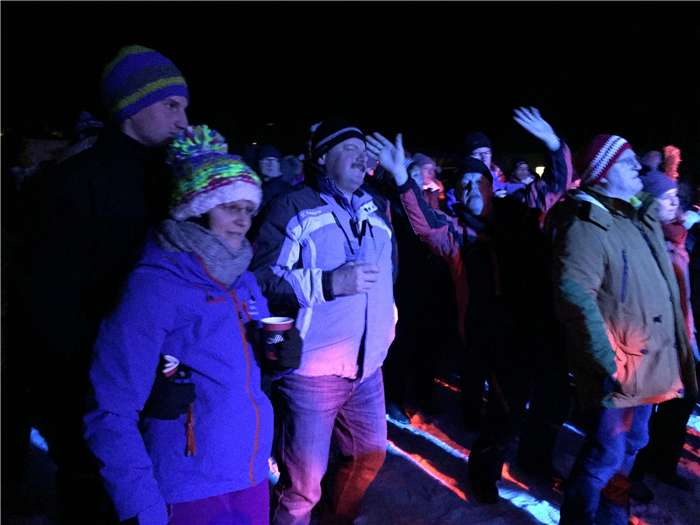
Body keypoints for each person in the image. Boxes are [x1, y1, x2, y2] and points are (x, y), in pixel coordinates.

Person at [2, 44, 189, 523]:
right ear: (131, 106)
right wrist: (120, 370)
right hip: (89, 396)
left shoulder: (175, 185)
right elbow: (44, 304)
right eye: (171, 105)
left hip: (162, 389)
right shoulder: (71, 185)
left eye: (185, 107)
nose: (184, 120)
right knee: (98, 506)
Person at [84, 125, 291, 525]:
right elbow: (109, 407)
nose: (243, 221)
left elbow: (250, 372)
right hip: (188, 484)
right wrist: (140, 506)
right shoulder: (156, 285)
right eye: (229, 207)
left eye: (249, 209)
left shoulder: (245, 279)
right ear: (196, 210)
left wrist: (279, 360)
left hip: (249, 475)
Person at [367, 129, 570, 504]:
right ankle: (484, 472)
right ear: (457, 193)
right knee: (506, 412)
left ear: (491, 187)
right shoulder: (456, 233)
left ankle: (535, 458)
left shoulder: (521, 214)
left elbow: (556, 184)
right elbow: (425, 222)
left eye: (478, 182)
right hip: (497, 339)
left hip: (542, 327)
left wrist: (555, 146)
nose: (471, 189)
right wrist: (401, 177)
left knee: (553, 401)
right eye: (463, 184)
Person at [251, 118, 396, 525]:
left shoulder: (375, 209)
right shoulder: (293, 206)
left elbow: (391, 276)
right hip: (313, 372)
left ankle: (337, 519)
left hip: (368, 369)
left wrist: (387, 323)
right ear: (321, 158)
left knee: (368, 457)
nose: (361, 157)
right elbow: (261, 277)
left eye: (364, 151)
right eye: (350, 148)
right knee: (303, 486)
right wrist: (330, 283)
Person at [551, 134, 698, 525]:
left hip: (647, 362)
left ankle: (612, 516)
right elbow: (573, 296)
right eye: (627, 161)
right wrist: (609, 362)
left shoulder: (631, 218)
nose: (637, 167)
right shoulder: (586, 225)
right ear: (603, 172)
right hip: (619, 369)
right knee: (606, 455)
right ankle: (580, 519)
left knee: (632, 447)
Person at [628, 171, 700, 502]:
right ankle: (631, 475)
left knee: (678, 405)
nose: (676, 205)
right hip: (650, 341)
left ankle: (662, 463)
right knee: (640, 416)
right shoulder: (643, 239)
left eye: (676, 198)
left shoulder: (679, 238)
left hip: (682, 334)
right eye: (667, 199)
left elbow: (684, 296)